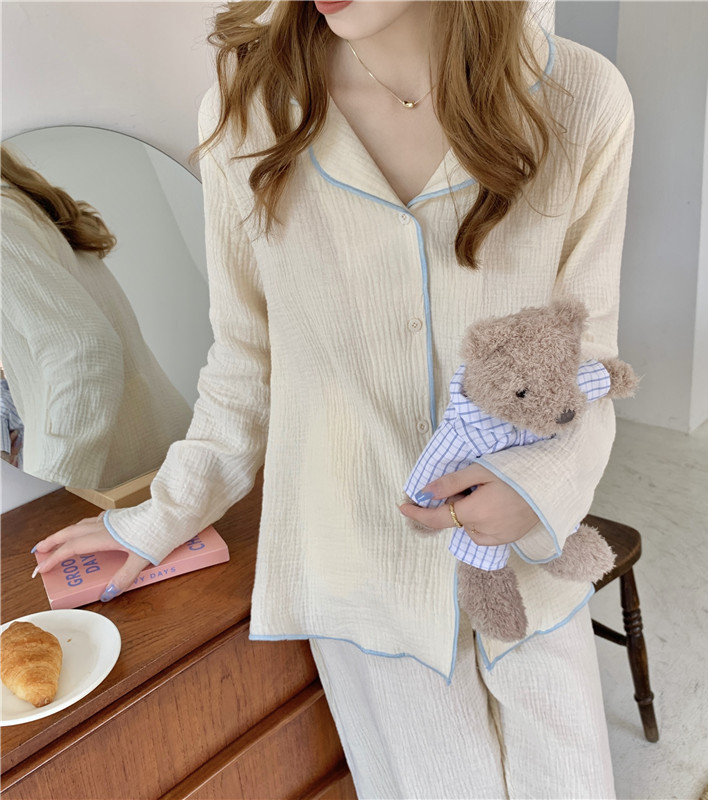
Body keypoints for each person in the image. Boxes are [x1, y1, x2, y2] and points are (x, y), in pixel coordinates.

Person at [34, 2, 634, 797]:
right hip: (362, 570)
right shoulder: (250, 114)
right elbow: (247, 362)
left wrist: (537, 488)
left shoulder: (582, 99)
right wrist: (160, 516)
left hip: (530, 570)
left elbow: (587, 359)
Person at [1, 148, 193, 489]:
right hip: (155, 457)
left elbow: (84, 351)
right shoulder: (20, 205)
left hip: (116, 478)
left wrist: (54, 489)